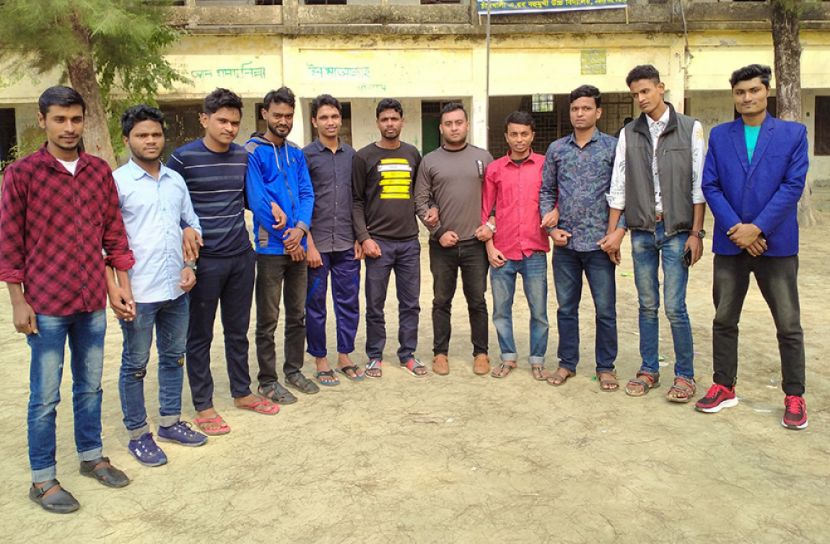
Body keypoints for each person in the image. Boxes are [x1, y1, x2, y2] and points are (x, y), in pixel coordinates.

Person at [0, 86, 134, 513]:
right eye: (60, 119)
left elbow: (113, 233)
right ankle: (42, 479)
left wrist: (119, 285)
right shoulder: (22, 174)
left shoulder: (98, 172)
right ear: (43, 120)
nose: (69, 127)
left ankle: (91, 457)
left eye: (76, 119)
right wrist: (18, 301)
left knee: (90, 386)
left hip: (91, 301)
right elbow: (9, 242)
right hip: (46, 305)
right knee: (44, 396)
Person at [696, 64, 809, 429]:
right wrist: (737, 230)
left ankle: (794, 395)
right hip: (731, 245)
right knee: (724, 319)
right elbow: (711, 185)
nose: (747, 98)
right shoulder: (720, 135)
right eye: (740, 92)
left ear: (767, 91)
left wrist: (757, 228)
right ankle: (723, 386)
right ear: (734, 96)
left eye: (754, 90)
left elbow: (792, 186)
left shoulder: (792, 134)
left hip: (776, 244)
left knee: (788, 323)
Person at [168, 88, 279, 437]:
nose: (229, 128)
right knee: (199, 334)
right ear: (205, 119)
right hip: (204, 261)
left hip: (240, 256)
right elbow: (169, 205)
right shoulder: (182, 159)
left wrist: (270, 206)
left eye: (234, 122)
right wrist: (185, 230)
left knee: (237, 330)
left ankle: (242, 392)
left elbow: (247, 196)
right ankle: (203, 405)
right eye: (222, 121)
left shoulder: (242, 157)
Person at [600, 64, 706, 403]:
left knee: (675, 306)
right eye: (635, 94)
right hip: (642, 231)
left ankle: (685, 375)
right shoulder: (629, 133)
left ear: (661, 88)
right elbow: (619, 185)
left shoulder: (690, 128)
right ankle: (649, 369)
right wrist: (613, 233)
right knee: (647, 305)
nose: (641, 98)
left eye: (645, 91)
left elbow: (698, 186)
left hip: (677, 231)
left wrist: (696, 233)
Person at [113, 105, 208, 467]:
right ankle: (139, 434)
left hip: (176, 289)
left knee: (173, 357)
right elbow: (107, 240)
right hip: (138, 292)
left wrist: (190, 264)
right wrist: (118, 288)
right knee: (135, 364)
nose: (150, 141)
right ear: (127, 140)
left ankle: (169, 422)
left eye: (156, 134)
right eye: (142, 135)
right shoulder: (117, 183)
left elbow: (191, 223)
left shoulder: (175, 181)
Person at [539, 85, 619, 391]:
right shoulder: (557, 149)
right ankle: (567, 363)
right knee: (566, 309)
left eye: (586, 108)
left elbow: (622, 193)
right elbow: (546, 191)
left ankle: (605, 367)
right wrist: (550, 229)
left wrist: (617, 233)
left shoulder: (612, 148)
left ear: (598, 112)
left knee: (605, 310)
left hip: (600, 245)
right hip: (566, 244)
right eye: (575, 109)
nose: (580, 114)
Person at [245, 87, 317, 400]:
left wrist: (300, 230)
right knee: (268, 319)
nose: (283, 121)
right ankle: (267, 379)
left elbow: (307, 194)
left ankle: (293, 370)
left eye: (288, 116)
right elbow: (257, 200)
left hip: (297, 245)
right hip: (270, 250)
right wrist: (289, 239)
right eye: (277, 115)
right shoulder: (252, 152)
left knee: (297, 314)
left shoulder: (296, 153)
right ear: (265, 114)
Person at [414, 102, 493, 376]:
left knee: (477, 300)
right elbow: (420, 201)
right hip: (442, 245)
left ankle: (481, 353)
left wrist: (490, 226)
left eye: (459, 122)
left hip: (475, 244)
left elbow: (495, 198)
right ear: (441, 128)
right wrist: (437, 232)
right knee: (441, 300)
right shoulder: (430, 161)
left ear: (467, 125)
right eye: (448, 124)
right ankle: (440, 353)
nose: (454, 128)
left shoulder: (483, 158)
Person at [352, 98, 425, 378]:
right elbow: (356, 201)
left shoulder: (412, 154)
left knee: (410, 303)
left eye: (394, 119)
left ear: (402, 122)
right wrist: (364, 237)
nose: (390, 124)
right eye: (385, 119)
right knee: (375, 304)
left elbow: (419, 194)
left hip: (409, 243)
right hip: (377, 244)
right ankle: (374, 356)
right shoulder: (364, 157)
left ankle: (408, 354)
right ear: (378, 123)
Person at [478, 111, 550, 380]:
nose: (519, 139)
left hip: (534, 250)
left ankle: (538, 359)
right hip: (502, 252)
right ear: (506, 137)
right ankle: (508, 357)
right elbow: (486, 210)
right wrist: (489, 247)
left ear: (532, 135)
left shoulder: (544, 165)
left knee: (539, 311)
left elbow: (552, 200)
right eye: (514, 134)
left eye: (524, 134)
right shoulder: (495, 169)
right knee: (501, 310)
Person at [303, 94, 364, 385]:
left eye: (335, 116)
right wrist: (308, 243)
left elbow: (358, 199)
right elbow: (300, 200)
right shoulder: (305, 156)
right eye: (324, 117)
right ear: (314, 121)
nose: (330, 122)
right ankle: (320, 359)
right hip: (316, 246)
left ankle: (344, 355)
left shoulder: (353, 156)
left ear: (341, 119)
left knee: (348, 302)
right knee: (315, 304)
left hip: (346, 244)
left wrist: (359, 236)